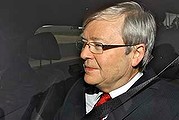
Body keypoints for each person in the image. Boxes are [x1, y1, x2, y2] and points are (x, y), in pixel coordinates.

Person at [22, 1, 179, 120]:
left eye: (98, 45)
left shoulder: (170, 107)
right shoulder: (68, 89)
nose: (83, 54)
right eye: (84, 43)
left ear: (136, 54)